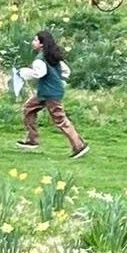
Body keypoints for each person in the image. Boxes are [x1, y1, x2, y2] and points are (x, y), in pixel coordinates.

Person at [16, 30, 89, 159]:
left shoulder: (40, 60)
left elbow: (40, 74)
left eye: (35, 40)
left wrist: (23, 72)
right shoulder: (53, 56)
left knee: (60, 120)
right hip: (45, 92)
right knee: (28, 109)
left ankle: (79, 146)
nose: (33, 42)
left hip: (50, 94)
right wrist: (57, 80)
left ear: (42, 44)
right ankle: (32, 140)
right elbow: (66, 71)